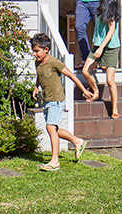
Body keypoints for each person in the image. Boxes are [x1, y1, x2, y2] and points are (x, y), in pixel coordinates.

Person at [31, 33, 91, 171]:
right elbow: (40, 76)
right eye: (33, 51)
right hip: (47, 100)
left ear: (46, 50)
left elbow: (71, 75)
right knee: (55, 130)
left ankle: (55, 161)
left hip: (56, 100)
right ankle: (78, 141)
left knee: (50, 128)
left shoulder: (54, 62)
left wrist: (83, 89)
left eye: (37, 51)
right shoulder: (38, 63)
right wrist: (36, 86)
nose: (35, 54)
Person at [81, 0, 121, 118]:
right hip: (98, 45)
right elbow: (98, 31)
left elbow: (111, 31)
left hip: (110, 47)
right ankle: (96, 91)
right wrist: (95, 47)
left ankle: (114, 108)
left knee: (110, 80)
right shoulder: (99, 8)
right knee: (85, 71)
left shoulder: (112, 9)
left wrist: (101, 48)